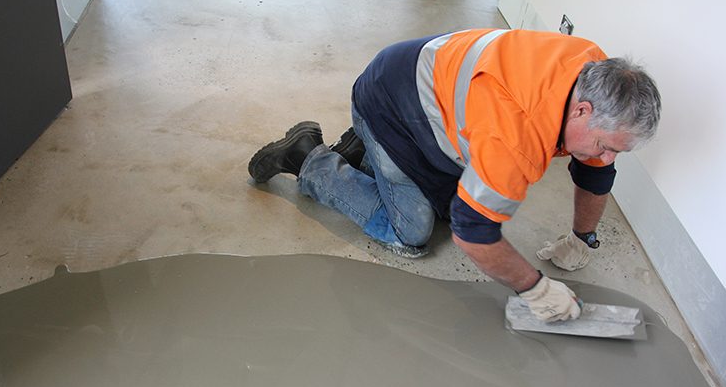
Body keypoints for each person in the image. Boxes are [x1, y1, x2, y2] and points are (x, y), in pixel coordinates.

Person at [248, 29, 661, 323]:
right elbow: (474, 232)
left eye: (615, 150)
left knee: (450, 204)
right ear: (583, 112)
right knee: (413, 232)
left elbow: (596, 170)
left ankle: (365, 151)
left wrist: (582, 237)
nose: (605, 156)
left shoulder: (596, 76)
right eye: (606, 145)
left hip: (431, 92)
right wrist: (535, 287)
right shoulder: (514, 135)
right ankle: (309, 159)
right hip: (391, 104)